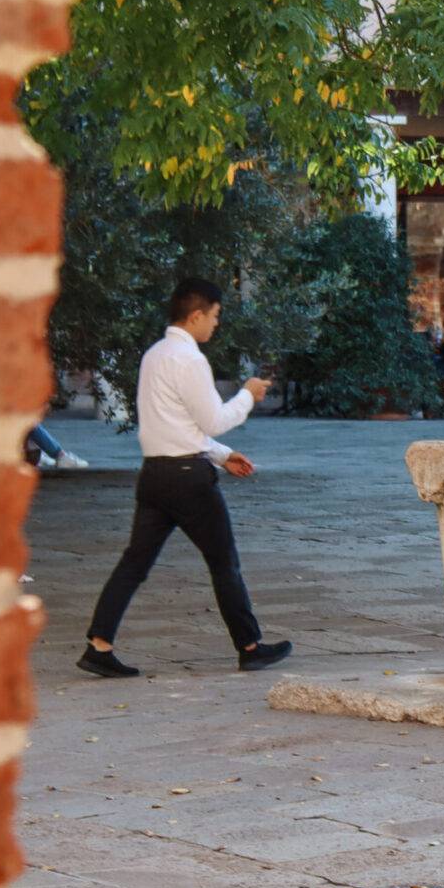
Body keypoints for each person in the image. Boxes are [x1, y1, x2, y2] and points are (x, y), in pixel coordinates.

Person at [79, 278, 292, 680]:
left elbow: (172, 426)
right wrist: (248, 394)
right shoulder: (191, 360)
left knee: (134, 563)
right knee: (224, 562)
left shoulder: (154, 355)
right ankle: (250, 647)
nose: (216, 325)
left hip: (155, 474)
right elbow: (214, 420)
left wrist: (221, 456)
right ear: (195, 315)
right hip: (189, 480)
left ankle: (99, 645)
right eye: (214, 316)